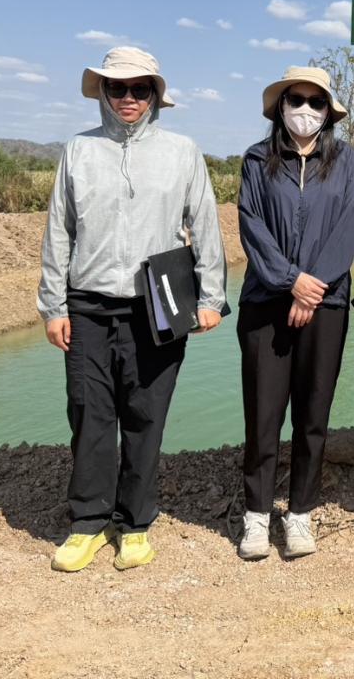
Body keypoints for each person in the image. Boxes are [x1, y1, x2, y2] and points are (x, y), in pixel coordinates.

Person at [39, 46, 227, 573]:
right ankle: (87, 523)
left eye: (139, 89)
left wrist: (211, 297)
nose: (128, 98)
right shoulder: (77, 151)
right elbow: (59, 231)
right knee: (89, 411)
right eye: (117, 88)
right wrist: (53, 305)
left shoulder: (183, 151)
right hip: (88, 302)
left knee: (146, 414)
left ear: (155, 96)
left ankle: (136, 522)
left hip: (159, 302)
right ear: (102, 92)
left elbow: (205, 222)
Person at [236, 66, 354, 561]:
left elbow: (348, 224)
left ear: (328, 110)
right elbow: (251, 226)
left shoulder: (345, 160)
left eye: (315, 102)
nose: (305, 110)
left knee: (313, 415)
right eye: (296, 100)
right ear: (280, 107)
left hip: (326, 304)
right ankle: (256, 515)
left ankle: (302, 515)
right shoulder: (256, 160)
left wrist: (313, 290)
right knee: (264, 415)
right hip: (266, 303)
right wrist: (291, 282)